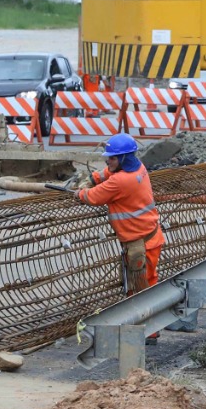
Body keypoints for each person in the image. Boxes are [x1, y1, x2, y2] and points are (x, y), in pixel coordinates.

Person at [75, 134, 166, 341]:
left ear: (124, 158)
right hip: (148, 237)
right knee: (144, 283)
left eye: (113, 158)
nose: (108, 161)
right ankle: (145, 327)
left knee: (141, 286)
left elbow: (92, 197)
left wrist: (79, 192)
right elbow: (109, 173)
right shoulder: (138, 168)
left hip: (141, 243)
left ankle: (147, 331)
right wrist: (95, 177)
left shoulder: (120, 181)